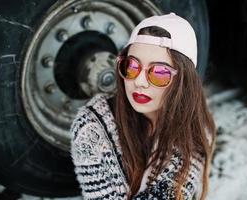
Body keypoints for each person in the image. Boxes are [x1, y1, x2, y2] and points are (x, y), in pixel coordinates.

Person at [70, 12, 216, 200]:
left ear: (183, 82)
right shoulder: (91, 127)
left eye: (159, 72)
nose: (139, 82)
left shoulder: (195, 130)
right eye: (131, 66)